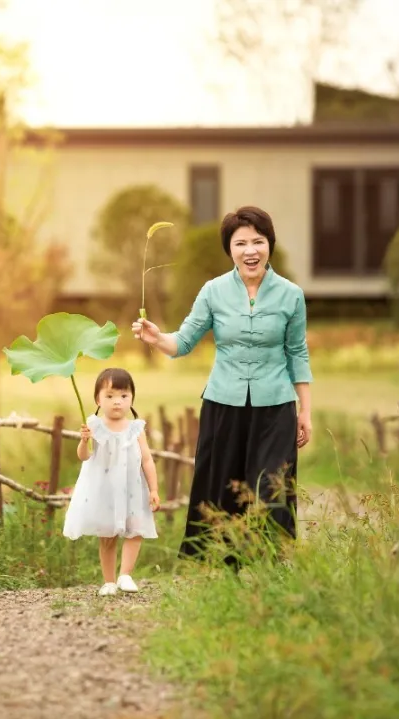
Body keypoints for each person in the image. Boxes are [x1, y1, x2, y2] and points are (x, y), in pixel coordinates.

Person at [131, 205, 313, 562]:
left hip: (275, 406)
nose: (250, 251)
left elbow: (298, 353)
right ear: (229, 249)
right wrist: (155, 337)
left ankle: (267, 564)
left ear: (269, 245)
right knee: (223, 484)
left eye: (258, 242)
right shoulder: (213, 291)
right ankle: (224, 567)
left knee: (271, 487)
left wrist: (305, 410)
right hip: (223, 403)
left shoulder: (291, 294)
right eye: (240, 242)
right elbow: (182, 342)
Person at [62, 367, 162, 596]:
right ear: (98, 399)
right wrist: (83, 441)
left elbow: (147, 460)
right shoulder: (94, 426)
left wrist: (153, 489)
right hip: (104, 491)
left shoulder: (136, 429)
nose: (117, 402)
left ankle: (125, 575)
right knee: (107, 535)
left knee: (135, 530)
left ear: (132, 398)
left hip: (132, 489)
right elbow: (84, 456)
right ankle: (108, 581)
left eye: (124, 396)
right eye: (110, 396)